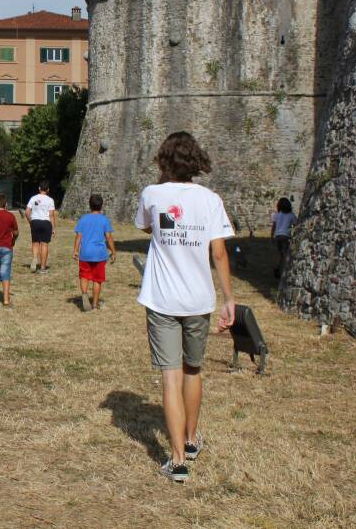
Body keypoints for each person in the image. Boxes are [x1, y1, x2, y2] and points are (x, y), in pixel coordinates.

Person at [134, 131, 236, 483]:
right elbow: (218, 252)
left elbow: (147, 226)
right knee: (193, 369)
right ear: (196, 161)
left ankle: (177, 461)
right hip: (199, 298)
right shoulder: (210, 200)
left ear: (164, 161)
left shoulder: (152, 194)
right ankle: (191, 441)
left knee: (170, 375)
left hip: (162, 298)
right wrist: (229, 299)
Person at [73, 194, 116, 312]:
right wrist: (113, 251)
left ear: (89, 205)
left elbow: (78, 236)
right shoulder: (104, 220)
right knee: (97, 280)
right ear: (101, 206)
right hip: (99, 254)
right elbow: (109, 237)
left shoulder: (83, 218)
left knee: (84, 276)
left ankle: (84, 294)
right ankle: (95, 305)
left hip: (85, 253)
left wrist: (75, 250)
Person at [25, 183, 56, 273]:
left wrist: (31, 221)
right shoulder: (50, 200)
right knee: (44, 244)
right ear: (48, 190)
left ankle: (35, 258)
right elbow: (51, 215)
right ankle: (42, 268)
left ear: (39, 188)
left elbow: (27, 212)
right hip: (46, 223)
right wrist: (53, 228)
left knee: (35, 243)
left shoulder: (33, 198)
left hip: (35, 222)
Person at [271, 197, 297, 279]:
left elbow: (273, 226)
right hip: (286, 236)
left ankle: (277, 267)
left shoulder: (276, 215)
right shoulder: (291, 215)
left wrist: (271, 236)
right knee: (286, 254)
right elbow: (296, 224)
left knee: (280, 254)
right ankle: (285, 272)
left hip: (277, 236)